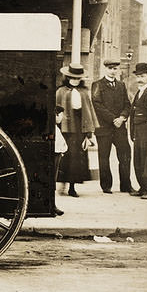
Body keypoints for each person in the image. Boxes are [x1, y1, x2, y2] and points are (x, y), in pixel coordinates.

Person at [91, 58, 135, 194]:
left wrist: (122, 117)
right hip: (104, 128)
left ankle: (126, 185)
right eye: (110, 68)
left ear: (118, 70)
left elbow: (127, 104)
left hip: (119, 127)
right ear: (105, 69)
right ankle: (106, 186)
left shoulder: (121, 85)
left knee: (125, 154)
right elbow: (97, 105)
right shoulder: (97, 85)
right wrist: (113, 119)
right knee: (104, 157)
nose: (113, 71)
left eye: (115, 69)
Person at [55, 63, 98, 197]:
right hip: (65, 128)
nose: (75, 80)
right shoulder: (61, 91)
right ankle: (62, 184)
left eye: (78, 78)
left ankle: (72, 187)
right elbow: (56, 109)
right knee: (64, 157)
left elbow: (89, 111)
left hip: (79, 127)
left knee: (76, 158)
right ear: (67, 77)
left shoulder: (84, 92)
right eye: (72, 78)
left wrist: (88, 133)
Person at [129, 62, 147, 199]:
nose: (139, 79)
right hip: (138, 131)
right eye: (138, 76)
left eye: (142, 76)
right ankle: (142, 187)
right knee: (138, 159)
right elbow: (134, 113)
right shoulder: (140, 91)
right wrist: (132, 132)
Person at [53, 105, 66, 215]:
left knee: (53, 179)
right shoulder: (54, 129)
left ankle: (52, 205)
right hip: (55, 154)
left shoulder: (55, 128)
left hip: (58, 153)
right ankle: (52, 205)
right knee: (52, 179)